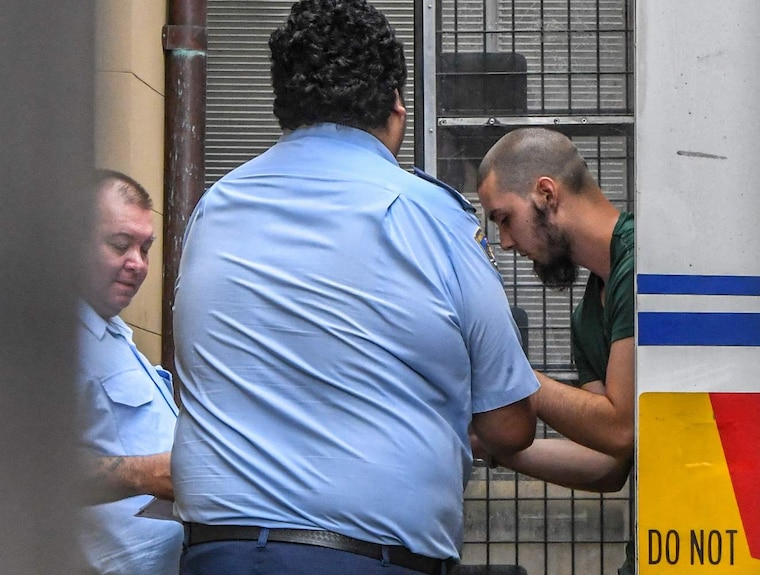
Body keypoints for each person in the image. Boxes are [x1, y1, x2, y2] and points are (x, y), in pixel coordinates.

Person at [170, 1, 539, 574]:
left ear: (282, 105)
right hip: (368, 560)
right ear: (397, 107)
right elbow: (510, 425)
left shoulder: (213, 210)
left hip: (218, 552)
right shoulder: (430, 215)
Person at [474, 127, 635, 574]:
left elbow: (623, 427)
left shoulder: (642, 263)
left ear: (546, 193)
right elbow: (609, 462)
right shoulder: (589, 315)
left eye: (504, 218)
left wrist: (509, 375)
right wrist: (490, 446)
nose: (505, 242)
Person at [75, 170, 183, 574]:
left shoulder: (111, 333)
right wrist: (144, 474)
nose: (137, 264)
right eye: (120, 245)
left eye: (146, 247)